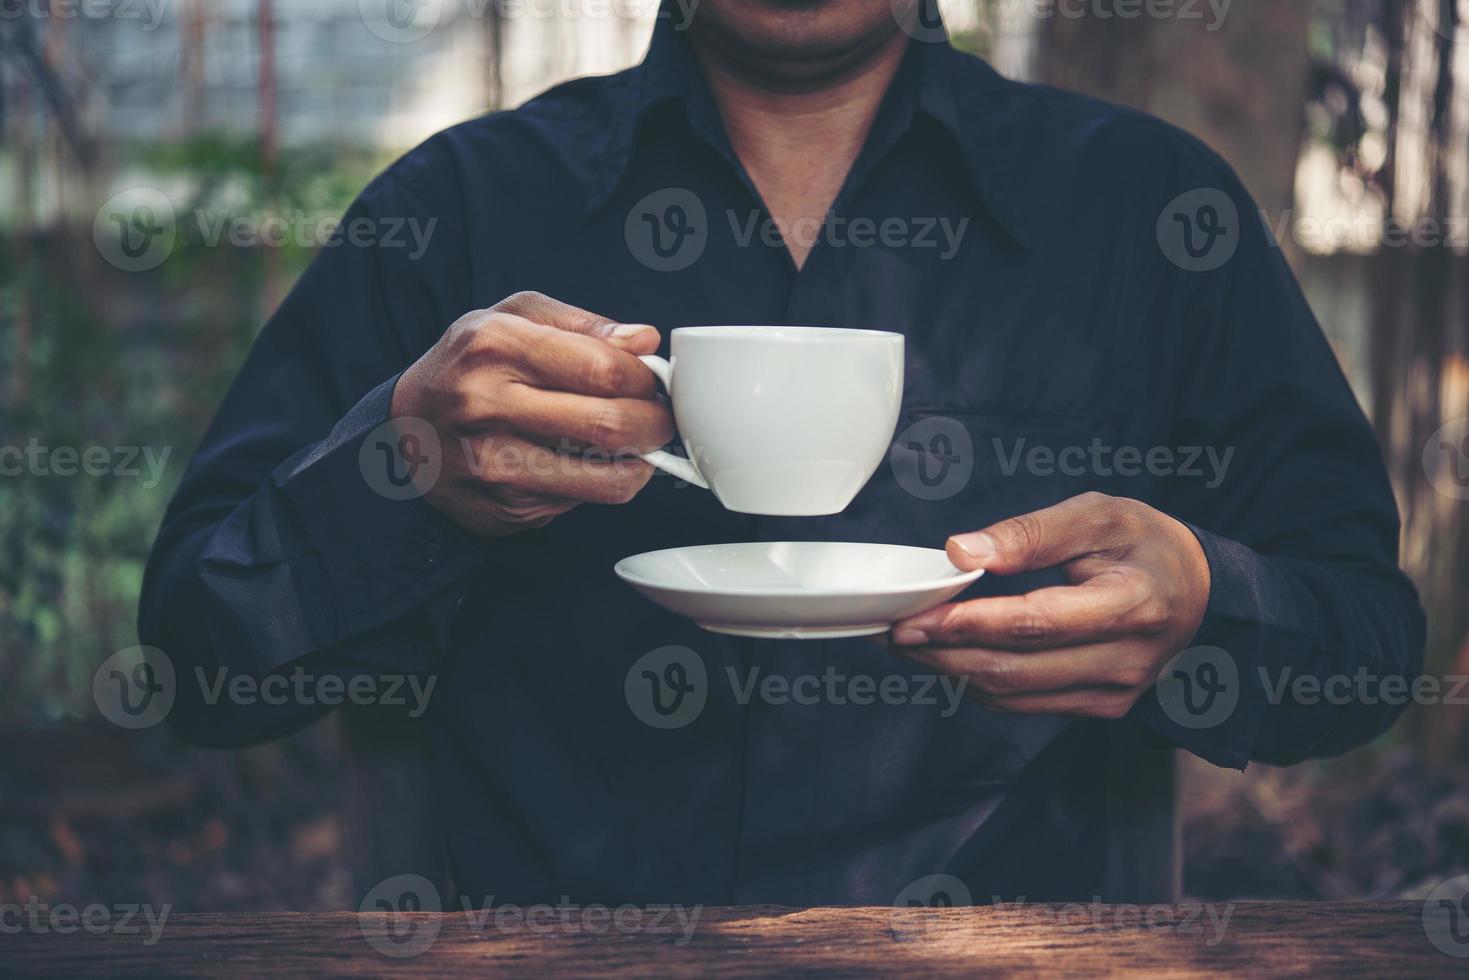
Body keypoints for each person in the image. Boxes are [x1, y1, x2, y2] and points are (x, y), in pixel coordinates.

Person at [140, 0, 1425, 905]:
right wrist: (404, 473)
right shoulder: (458, 210)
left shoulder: (1144, 210)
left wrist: (1203, 602)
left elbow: (1365, 640)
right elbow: (197, 661)